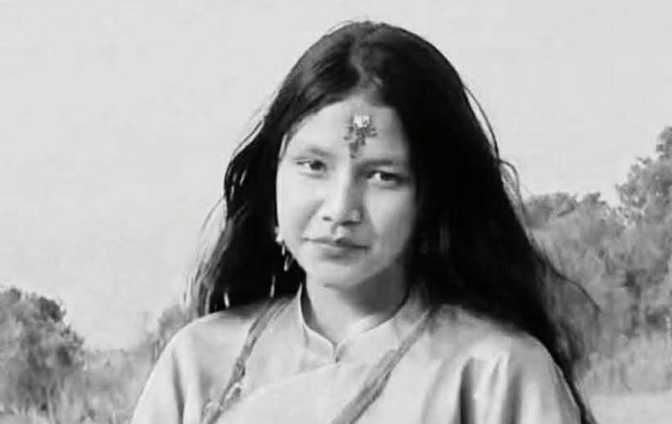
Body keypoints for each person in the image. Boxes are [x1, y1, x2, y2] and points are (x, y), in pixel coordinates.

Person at [131, 21, 596, 424]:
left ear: (430, 200)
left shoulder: (496, 373)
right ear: (273, 178)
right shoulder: (199, 363)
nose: (340, 209)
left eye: (381, 176)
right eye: (314, 166)